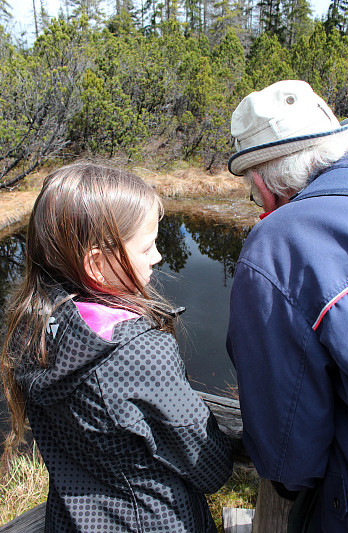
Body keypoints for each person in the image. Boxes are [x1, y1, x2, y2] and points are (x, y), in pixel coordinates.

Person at [1, 162, 233, 532]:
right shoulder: (138, 353)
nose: (158, 256)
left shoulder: (32, 325)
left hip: (73, 521)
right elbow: (207, 464)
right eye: (148, 246)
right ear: (96, 263)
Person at [226, 80, 348, 532]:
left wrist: (285, 484)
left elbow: (288, 454)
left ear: (262, 181)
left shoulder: (278, 247)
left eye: (251, 193)